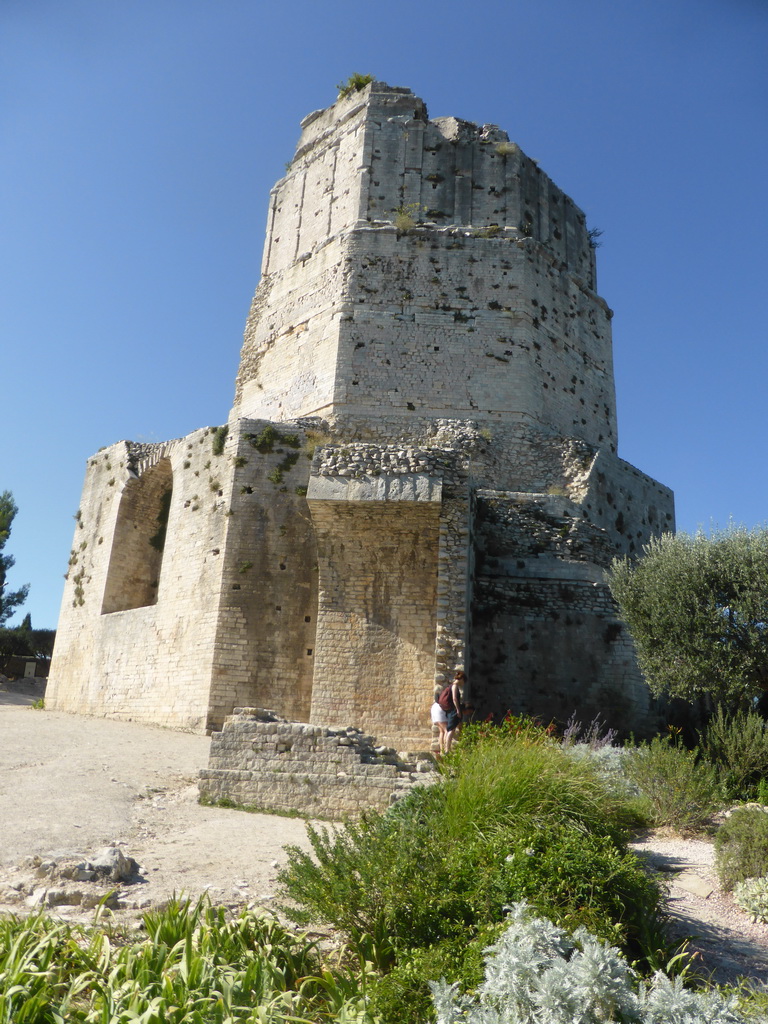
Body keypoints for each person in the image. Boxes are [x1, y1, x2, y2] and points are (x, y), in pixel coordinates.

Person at [437, 669, 466, 754]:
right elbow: (454, 698)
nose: (463, 684)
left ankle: (446, 749)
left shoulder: (450, 686)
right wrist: (458, 710)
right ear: (462, 679)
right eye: (464, 681)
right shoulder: (454, 686)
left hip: (449, 709)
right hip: (453, 710)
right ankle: (447, 749)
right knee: (451, 729)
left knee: (450, 729)